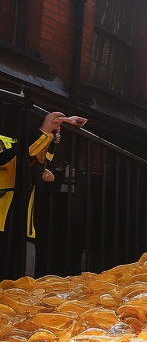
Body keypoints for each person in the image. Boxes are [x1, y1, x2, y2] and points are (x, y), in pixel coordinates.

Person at [0, 110, 87, 276]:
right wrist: (45, 131)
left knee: (20, 285)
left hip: (23, 225)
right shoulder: (6, 143)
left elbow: (41, 165)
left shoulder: (25, 144)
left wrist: (53, 130)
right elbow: (15, 159)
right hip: (4, 222)